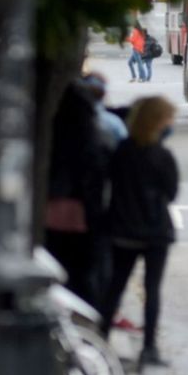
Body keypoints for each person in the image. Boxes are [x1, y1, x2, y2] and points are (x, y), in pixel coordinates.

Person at [99, 96, 179, 367]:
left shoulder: (121, 150)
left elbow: (108, 182)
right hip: (156, 231)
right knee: (152, 289)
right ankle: (149, 349)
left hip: (122, 228)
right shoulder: (162, 156)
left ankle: (101, 339)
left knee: (116, 286)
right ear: (158, 122)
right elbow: (171, 192)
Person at [44, 81, 106, 305]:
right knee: (81, 274)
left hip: (50, 212)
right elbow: (93, 177)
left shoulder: (53, 133)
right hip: (78, 215)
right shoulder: (89, 136)